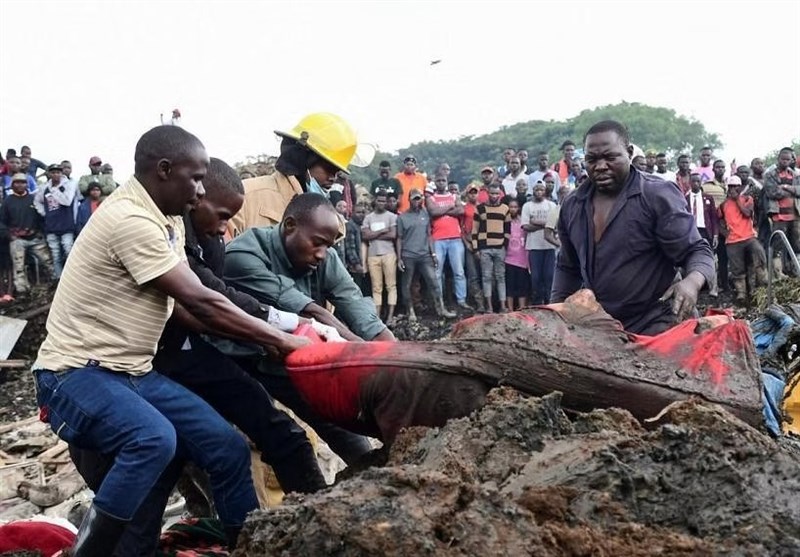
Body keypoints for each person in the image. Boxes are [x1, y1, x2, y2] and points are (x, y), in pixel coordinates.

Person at [32, 126, 313, 555]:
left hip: (134, 372)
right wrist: (283, 339)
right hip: (76, 372)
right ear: (164, 170)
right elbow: (199, 300)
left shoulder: (168, 222)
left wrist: (263, 337)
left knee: (227, 447)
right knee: (153, 439)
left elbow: (186, 309)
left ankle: (246, 547)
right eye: (195, 178)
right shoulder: (131, 220)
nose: (200, 191)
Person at [221, 193, 394, 466]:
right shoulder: (242, 256)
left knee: (345, 429)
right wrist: (368, 356)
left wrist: (396, 355)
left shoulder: (326, 257)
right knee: (274, 440)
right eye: (317, 243)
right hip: (237, 361)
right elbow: (311, 312)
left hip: (289, 358)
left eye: (328, 245)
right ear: (289, 226)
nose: (322, 254)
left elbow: (357, 307)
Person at [552, 120, 714, 335]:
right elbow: (567, 267)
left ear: (628, 152)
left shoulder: (657, 195)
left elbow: (697, 250)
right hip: (601, 325)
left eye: (610, 157)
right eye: (592, 159)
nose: (600, 166)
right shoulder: (572, 205)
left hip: (658, 322)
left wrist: (692, 282)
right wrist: (555, 313)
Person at [228, 112, 358, 236]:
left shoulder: (325, 213)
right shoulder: (247, 195)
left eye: (337, 173)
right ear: (304, 158)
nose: (333, 178)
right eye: (329, 169)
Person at [397, 188, 455, 320]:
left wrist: (433, 254)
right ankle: (410, 311)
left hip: (424, 255)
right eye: (414, 199)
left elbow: (429, 235)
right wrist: (399, 258)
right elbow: (399, 238)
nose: (417, 201)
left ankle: (441, 309)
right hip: (408, 255)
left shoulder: (425, 214)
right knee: (407, 284)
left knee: (434, 281)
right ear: (409, 200)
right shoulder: (402, 217)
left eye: (419, 199)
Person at [1, 174, 54, 295]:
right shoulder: (7, 202)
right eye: (17, 182)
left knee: (48, 261)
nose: (20, 185)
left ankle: (55, 283)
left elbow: (41, 217)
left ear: (27, 184)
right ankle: (22, 291)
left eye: (23, 182)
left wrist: (41, 232)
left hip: (35, 237)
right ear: (12, 185)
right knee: (18, 266)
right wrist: (9, 235)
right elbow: (1, 222)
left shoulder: (33, 199)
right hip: (17, 239)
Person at [717, 176, 768, 300]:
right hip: (733, 241)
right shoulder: (724, 205)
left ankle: (761, 288)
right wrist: (726, 234)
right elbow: (718, 221)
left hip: (749, 237)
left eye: (736, 186)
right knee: (737, 268)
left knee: (759, 258)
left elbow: (747, 213)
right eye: (731, 186)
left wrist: (737, 200)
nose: (733, 188)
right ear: (727, 188)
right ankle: (742, 293)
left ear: (740, 187)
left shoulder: (747, 199)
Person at [426, 174, 470, 310]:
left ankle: (461, 300)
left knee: (459, 272)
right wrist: (450, 208)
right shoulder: (430, 198)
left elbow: (461, 210)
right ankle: (439, 301)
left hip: (455, 238)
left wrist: (442, 211)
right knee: (438, 273)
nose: (441, 183)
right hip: (438, 239)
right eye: (438, 180)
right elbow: (433, 212)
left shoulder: (454, 196)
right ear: (435, 182)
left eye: (443, 180)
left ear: (446, 181)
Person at [34, 164, 77, 280]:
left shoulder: (69, 185)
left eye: (58, 172)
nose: (56, 174)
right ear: (49, 174)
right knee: (55, 255)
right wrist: (45, 213)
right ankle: (59, 279)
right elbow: (37, 201)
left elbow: (67, 201)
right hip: (51, 226)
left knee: (69, 252)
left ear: (61, 173)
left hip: (66, 225)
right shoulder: (44, 187)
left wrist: (54, 190)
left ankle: (71, 278)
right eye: (53, 172)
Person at [472, 184, 510, 313]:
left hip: (500, 247)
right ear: (487, 193)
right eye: (492, 193)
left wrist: (505, 245)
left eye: (496, 194)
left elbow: (507, 229)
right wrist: (476, 248)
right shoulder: (480, 208)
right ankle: (489, 307)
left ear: (500, 194)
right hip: (485, 248)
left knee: (501, 277)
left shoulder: (505, 209)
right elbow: (474, 230)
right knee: (486, 277)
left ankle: (503, 306)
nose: (494, 196)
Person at [362, 190, 398, 323]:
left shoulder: (391, 216)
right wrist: (383, 231)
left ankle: (389, 316)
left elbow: (393, 235)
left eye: (384, 201)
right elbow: (365, 236)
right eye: (379, 200)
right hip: (373, 256)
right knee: (376, 287)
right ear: (375, 201)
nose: (381, 203)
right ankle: (377, 317)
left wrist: (373, 233)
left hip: (389, 254)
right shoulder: (368, 217)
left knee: (391, 286)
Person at [764, 147, 800, 278]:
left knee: (796, 244)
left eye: (788, 159)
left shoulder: (796, 174)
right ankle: (779, 273)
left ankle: (795, 270)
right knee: (778, 245)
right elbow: (772, 193)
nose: (785, 161)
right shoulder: (770, 174)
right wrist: (792, 191)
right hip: (779, 216)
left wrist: (787, 187)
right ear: (778, 159)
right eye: (782, 159)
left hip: (795, 215)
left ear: (791, 160)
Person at [522, 181, 558, 305]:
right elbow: (525, 226)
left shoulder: (552, 205)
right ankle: (537, 303)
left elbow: (554, 225)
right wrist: (545, 224)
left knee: (549, 276)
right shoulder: (527, 206)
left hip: (549, 246)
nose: (539, 192)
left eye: (541, 189)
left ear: (545, 191)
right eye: (536, 189)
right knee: (535, 278)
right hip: (534, 246)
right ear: (533, 191)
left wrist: (535, 222)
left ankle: (549, 302)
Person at [686, 173, 719, 296]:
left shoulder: (708, 198)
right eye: (693, 181)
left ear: (701, 183)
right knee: (692, 258)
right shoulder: (685, 198)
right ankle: (694, 288)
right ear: (690, 183)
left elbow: (714, 218)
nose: (696, 184)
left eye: (698, 181)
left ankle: (713, 287)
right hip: (691, 232)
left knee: (710, 258)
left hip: (705, 231)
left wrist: (715, 235)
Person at [704, 159, 730, 291]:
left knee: (725, 257)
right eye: (718, 167)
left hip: (730, 226)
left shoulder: (730, 184)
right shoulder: (706, 186)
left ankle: (725, 284)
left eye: (722, 167)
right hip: (715, 226)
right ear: (713, 169)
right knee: (713, 256)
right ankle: (712, 286)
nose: (720, 169)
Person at [461, 183, 485, 311]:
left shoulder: (483, 207)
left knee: (485, 274)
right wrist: (466, 243)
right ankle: (479, 302)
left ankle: (489, 301)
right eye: (471, 192)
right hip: (469, 244)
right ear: (467, 194)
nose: (473, 194)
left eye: (475, 192)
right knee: (473, 275)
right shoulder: (464, 208)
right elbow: (461, 228)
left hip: (482, 244)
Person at [504, 198, 529, 310]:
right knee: (510, 284)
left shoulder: (523, 222)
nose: (513, 209)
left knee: (522, 284)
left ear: (518, 208)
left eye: (515, 207)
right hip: (508, 258)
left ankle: (522, 307)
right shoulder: (505, 222)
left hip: (522, 258)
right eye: (510, 207)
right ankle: (510, 309)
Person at [344, 203, 369, 295]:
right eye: (358, 212)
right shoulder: (350, 226)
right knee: (355, 291)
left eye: (363, 212)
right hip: (354, 267)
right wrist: (356, 263)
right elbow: (350, 247)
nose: (361, 214)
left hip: (361, 266)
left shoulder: (359, 226)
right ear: (352, 213)